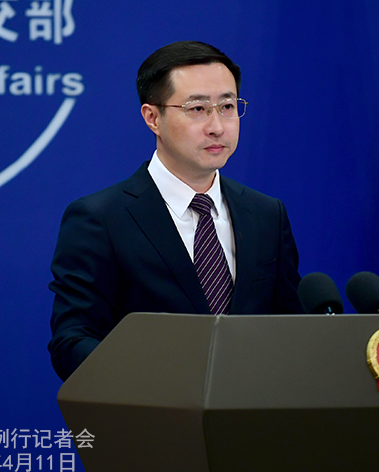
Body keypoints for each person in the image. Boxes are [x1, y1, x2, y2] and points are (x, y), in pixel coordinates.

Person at [48, 41, 303, 381]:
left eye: (227, 106)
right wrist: (154, 380)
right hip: (150, 408)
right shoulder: (101, 219)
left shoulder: (266, 214)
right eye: (197, 109)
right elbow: (72, 342)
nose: (217, 126)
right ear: (152, 117)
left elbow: (291, 328)